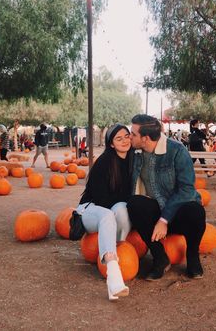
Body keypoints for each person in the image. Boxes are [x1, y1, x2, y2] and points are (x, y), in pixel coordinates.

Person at [127, 114, 206, 281]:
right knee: (134, 204)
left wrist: (164, 219)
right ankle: (160, 258)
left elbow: (186, 189)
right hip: (155, 210)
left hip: (178, 211)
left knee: (196, 211)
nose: (129, 136)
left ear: (145, 138)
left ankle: (192, 256)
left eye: (133, 134)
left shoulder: (177, 151)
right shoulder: (135, 152)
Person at [76, 123, 132, 300]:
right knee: (109, 213)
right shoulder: (105, 162)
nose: (124, 140)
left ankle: (113, 277)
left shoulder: (134, 160)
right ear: (111, 144)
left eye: (127, 136)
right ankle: (114, 272)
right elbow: (100, 200)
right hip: (91, 210)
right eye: (118, 138)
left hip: (112, 214)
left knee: (123, 208)